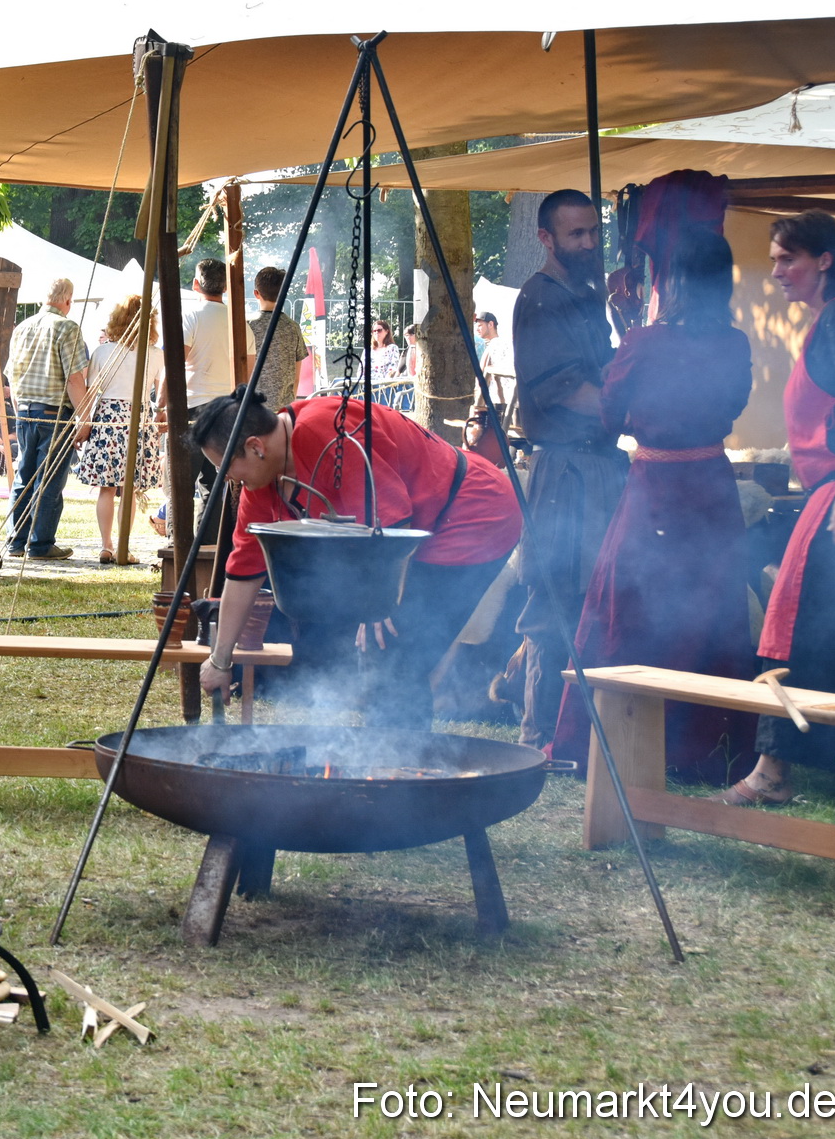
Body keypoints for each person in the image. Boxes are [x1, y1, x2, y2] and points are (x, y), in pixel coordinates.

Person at [547, 232, 756, 779]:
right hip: (711, 486)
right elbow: (733, 404)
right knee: (713, 610)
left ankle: (611, 739)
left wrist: (628, 339)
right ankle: (709, 747)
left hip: (657, 490)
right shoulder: (735, 344)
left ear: (672, 280)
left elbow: (612, 413)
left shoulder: (644, 342)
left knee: (629, 608)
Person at [194, 387, 521, 730]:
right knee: (375, 643)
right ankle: (382, 760)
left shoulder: (328, 431)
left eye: (225, 467)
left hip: (473, 513)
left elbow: (393, 520)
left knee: (394, 648)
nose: (226, 479)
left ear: (255, 447)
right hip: (417, 533)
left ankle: (400, 765)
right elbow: (244, 568)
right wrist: (219, 660)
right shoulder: (262, 485)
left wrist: (381, 603)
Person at [719, 213, 835, 809]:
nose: (776, 271)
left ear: (824, 260)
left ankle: (772, 772)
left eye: (788, 260)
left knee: (801, 633)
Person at [510, 189, 626, 748]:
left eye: (592, 233)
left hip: (599, 467)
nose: (586, 243)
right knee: (555, 596)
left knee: (597, 597)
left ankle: (577, 725)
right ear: (546, 239)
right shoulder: (541, 299)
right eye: (575, 234)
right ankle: (540, 732)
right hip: (564, 473)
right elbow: (569, 392)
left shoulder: (585, 295)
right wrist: (636, 410)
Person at [4, 276, 90, 560]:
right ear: (68, 301)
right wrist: (85, 418)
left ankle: (16, 543)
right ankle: (40, 545)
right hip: (54, 414)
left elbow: (13, 379)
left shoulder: (22, 328)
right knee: (49, 481)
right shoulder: (67, 327)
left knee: (24, 477)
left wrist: (19, 411)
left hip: (25, 410)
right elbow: (74, 379)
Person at [75, 294, 165, 565]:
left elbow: (91, 391)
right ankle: (123, 547)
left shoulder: (103, 351)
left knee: (107, 488)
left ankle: (107, 545)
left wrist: (84, 423)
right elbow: (160, 386)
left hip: (108, 417)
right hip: (138, 416)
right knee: (129, 489)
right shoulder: (156, 354)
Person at [182, 258, 248, 505]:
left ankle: (179, 541)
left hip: (193, 406)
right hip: (225, 410)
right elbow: (247, 371)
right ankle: (207, 540)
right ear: (225, 287)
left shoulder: (190, 317)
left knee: (181, 481)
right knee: (213, 484)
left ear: (196, 284)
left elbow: (175, 365)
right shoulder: (240, 322)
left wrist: (162, 405)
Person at [247, 266, 308, 412]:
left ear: (256, 293)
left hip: (253, 406)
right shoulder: (293, 327)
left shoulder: (248, 326)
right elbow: (297, 374)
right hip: (283, 408)